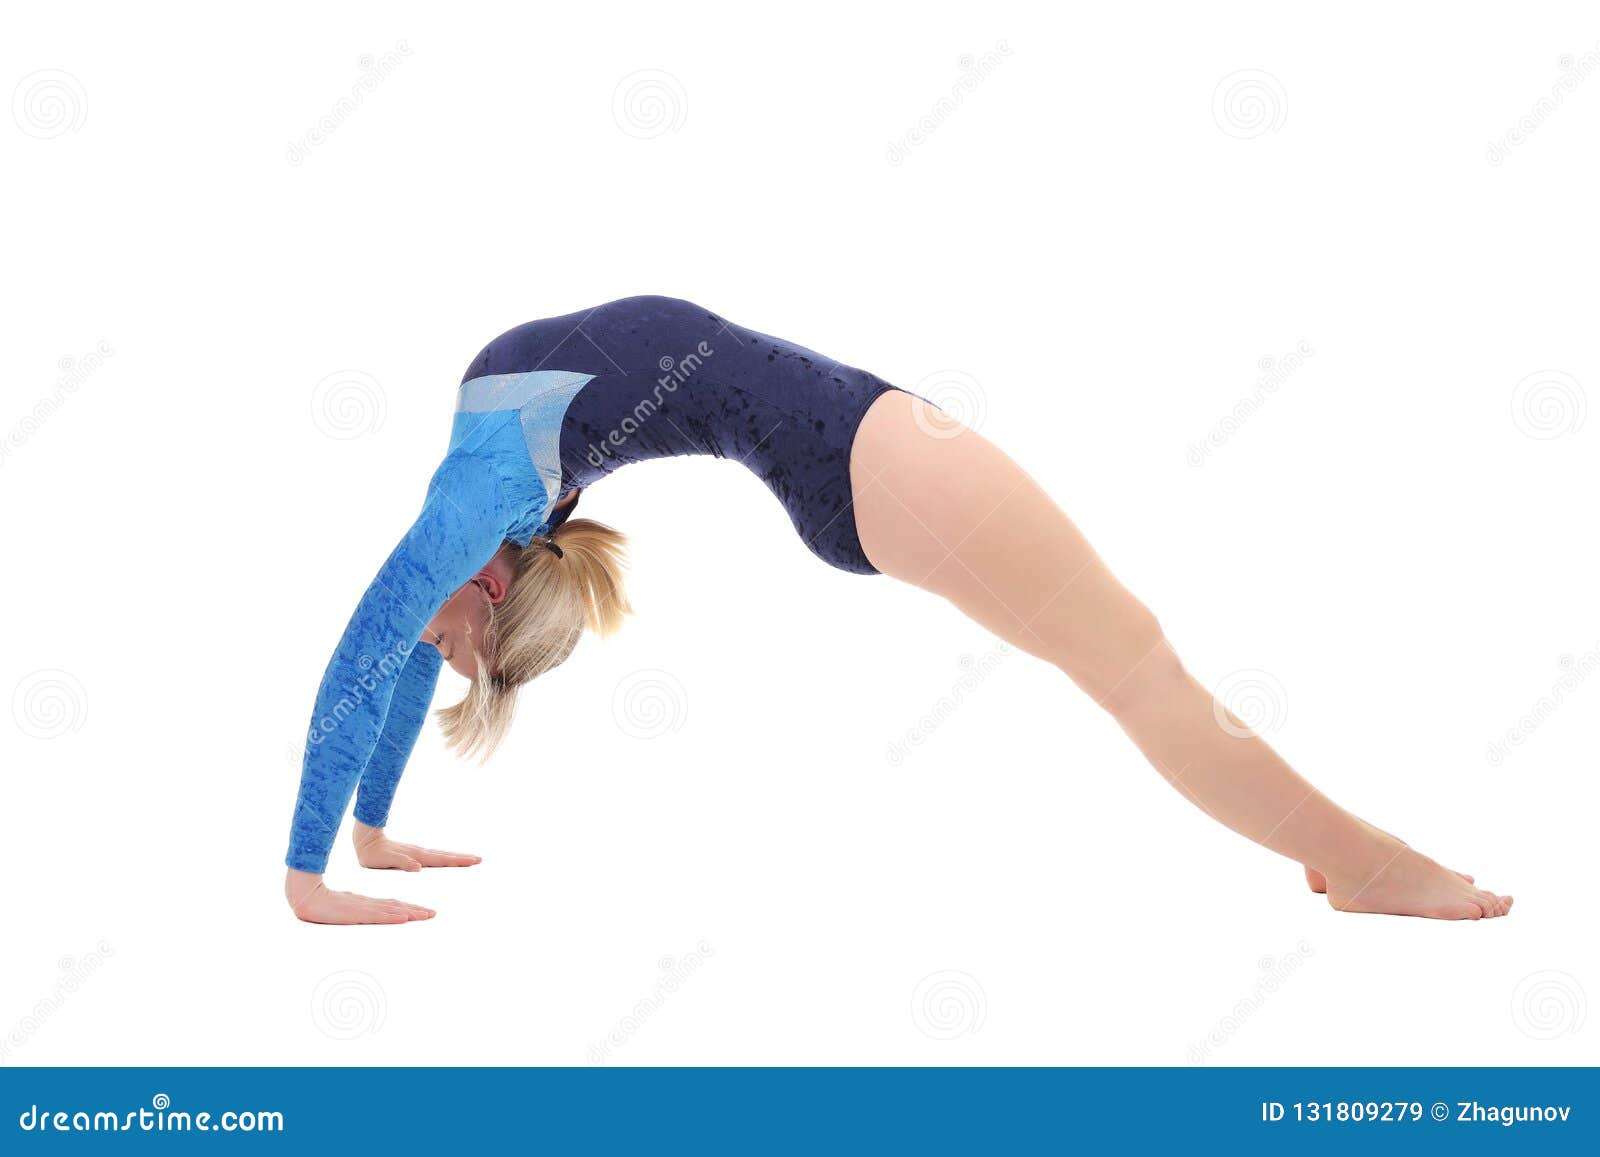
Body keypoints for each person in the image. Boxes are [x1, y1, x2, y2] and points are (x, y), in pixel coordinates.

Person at [284, 296, 1512, 924]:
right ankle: (1363, 863)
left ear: (489, 593)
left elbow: (370, 652)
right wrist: (319, 868)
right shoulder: (495, 501)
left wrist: (358, 840)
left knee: (1132, 663)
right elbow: (385, 655)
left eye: (450, 646)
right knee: (1138, 670)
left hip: (857, 451)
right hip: (862, 461)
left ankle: (1308, 834)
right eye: (453, 651)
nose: (426, 645)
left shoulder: (482, 499)